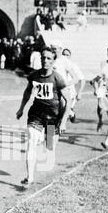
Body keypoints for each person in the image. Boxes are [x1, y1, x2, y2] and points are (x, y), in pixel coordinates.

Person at [16, 46, 73, 189]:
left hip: (52, 117)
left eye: (48, 58)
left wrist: (64, 121)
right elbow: (27, 92)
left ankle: (44, 138)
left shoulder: (57, 78)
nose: (45, 61)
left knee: (49, 147)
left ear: (53, 61)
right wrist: (21, 108)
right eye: (43, 58)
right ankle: (29, 178)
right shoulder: (34, 76)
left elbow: (68, 100)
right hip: (36, 115)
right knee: (31, 144)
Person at [91, 45, 108, 132]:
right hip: (103, 86)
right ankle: (100, 121)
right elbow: (101, 74)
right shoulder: (103, 63)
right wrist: (95, 82)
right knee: (99, 107)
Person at [61, 48, 86, 126]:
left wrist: (80, 92)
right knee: (55, 114)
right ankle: (71, 113)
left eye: (67, 55)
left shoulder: (73, 66)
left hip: (69, 93)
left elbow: (82, 79)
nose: (65, 56)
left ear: (70, 56)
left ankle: (54, 133)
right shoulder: (56, 64)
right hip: (55, 94)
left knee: (61, 113)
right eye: (63, 54)